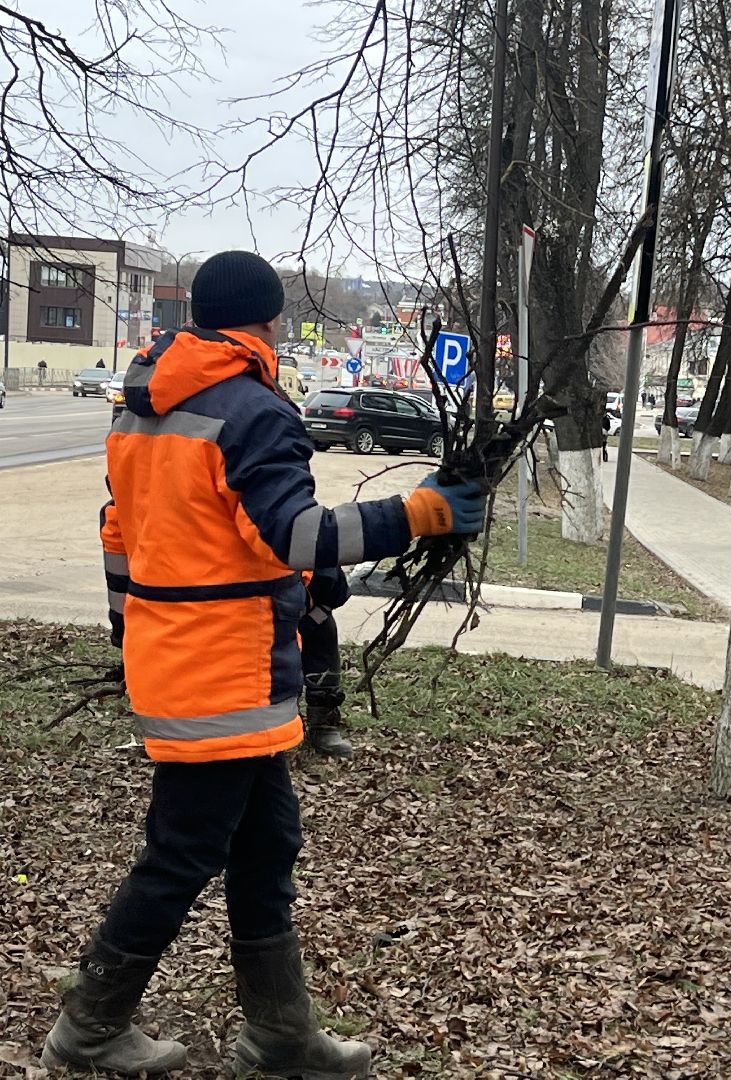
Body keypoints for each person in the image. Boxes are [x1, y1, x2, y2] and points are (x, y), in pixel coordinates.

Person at [42, 251, 486, 1078]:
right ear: (270, 321)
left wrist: (126, 639)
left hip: (179, 658)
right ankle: (90, 1024)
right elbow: (297, 535)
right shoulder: (251, 410)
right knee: (182, 853)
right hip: (224, 673)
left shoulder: (145, 408)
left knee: (266, 842)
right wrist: (417, 513)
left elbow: (122, 536)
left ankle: (280, 1035)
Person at [300, 568, 354, 758]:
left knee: (323, 635)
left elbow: (334, 594)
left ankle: (323, 723)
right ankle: (279, 724)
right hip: (258, 612)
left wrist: (311, 621)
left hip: (311, 610)